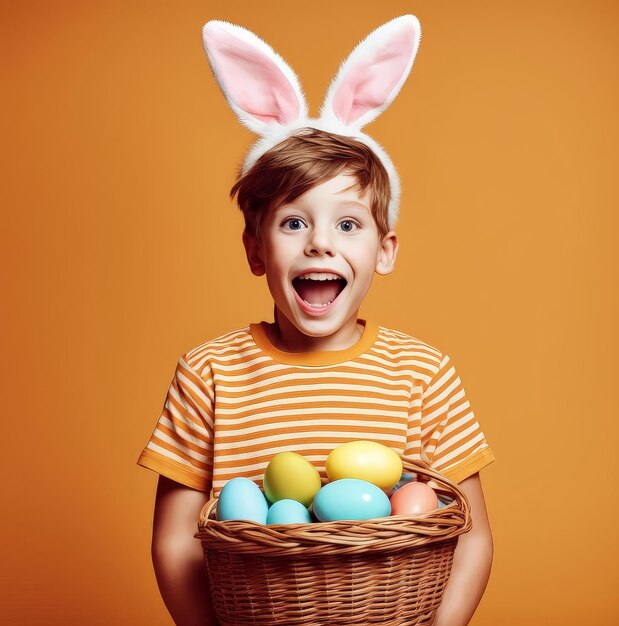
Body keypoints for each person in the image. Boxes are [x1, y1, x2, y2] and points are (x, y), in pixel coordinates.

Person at [137, 15, 495, 626]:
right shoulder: (210, 373)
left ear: (385, 251)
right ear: (256, 250)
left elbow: (473, 537)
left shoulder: (423, 373)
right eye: (293, 222)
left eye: (348, 224)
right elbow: (175, 544)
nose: (320, 245)